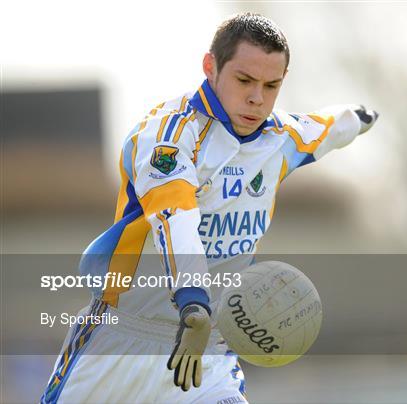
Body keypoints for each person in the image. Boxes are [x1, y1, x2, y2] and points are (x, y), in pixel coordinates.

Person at [41, 12, 378, 403]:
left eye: (272, 85)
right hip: (118, 344)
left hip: (209, 351)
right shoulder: (168, 135)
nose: (257, 98)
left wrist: (360, 117)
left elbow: (326, 127)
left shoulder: (281, 138)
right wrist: (193, 303)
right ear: (210, 67)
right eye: (244, 80)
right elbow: (175, 216)